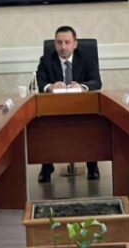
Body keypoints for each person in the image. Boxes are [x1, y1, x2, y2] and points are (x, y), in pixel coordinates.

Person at [36, 25, 102, 182]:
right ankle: (47, 165)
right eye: (59, 43)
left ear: (75, 44)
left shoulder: (86, 58)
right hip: (54, 108)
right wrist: (50, 87)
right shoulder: (46, 60)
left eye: (67, 42)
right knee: (43, 124)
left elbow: (97, 82)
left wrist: (82, 86)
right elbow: (40, 82)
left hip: (82, 106)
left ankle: (92, 164)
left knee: (92, 122)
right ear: (54, 44)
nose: (63, 47)